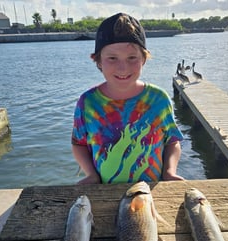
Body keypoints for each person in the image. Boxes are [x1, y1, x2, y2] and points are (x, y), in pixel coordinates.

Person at [71, 12, 184, 184]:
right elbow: (79, 144)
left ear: (144, 59)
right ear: (98, 61)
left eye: (132, 58)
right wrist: (90, 175)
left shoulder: (158, 99)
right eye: (112, 58)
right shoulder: (87, 103)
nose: (123, 68)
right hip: (104, 192)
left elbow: (172, 141)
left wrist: (169, 171)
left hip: (151, 192)